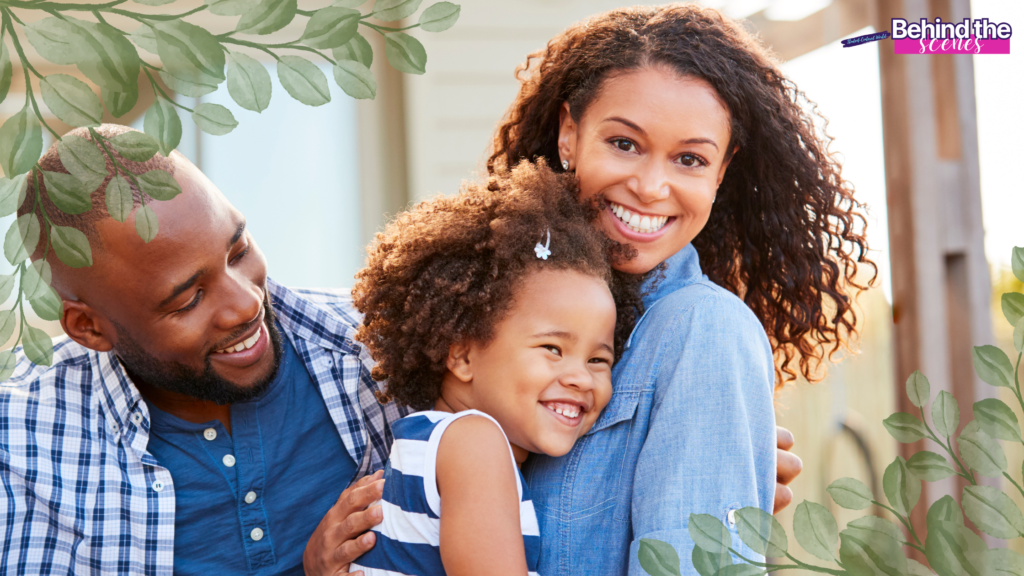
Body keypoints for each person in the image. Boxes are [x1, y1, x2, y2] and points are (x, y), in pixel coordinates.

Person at [478, 4, 874, 575]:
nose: (650, 186)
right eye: (625, 144)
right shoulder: (490, 303)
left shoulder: (703, 333)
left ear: (721, 170)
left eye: (690, 159)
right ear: (570, 133)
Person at [0, 124, 404, 575]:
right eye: (188, 299)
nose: (247, 304)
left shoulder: (384, 348)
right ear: (90, 328)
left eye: (239, 252)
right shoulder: (19, 446)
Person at [347, 161, 642, 575]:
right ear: (463, 356)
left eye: (598, 359)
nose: (580, 376)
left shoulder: (431, 440)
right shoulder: (474, 443)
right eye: (552, 348)